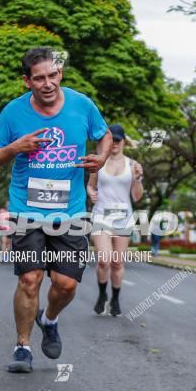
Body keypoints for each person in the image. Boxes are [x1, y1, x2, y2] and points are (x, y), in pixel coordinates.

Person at [0, 47, 110, 373]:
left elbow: (105, 135)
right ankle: (22, 347)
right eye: (38, 78)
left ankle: (49, 319)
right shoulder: (12, 113)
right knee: (30, 279)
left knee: (66, 285)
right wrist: (16, 147)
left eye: (52, 75)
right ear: (27, 81)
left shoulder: (82, 105)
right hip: (27, 208)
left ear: (60, 75)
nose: (47, 83)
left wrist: (102, 158)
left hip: (70, 211)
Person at [87, 124, 143, 316]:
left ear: (124, 142)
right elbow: (90, 186)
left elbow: (136, 197)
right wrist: (91, 194)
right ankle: (103, 294)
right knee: (104, 260)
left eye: (118, 140)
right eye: (113, 140)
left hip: (123, 218)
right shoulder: (99, 162)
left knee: (117, 263)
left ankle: (116, 299)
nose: (115, 144)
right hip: (101, 215)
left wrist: (137, 179)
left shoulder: (132, 165)